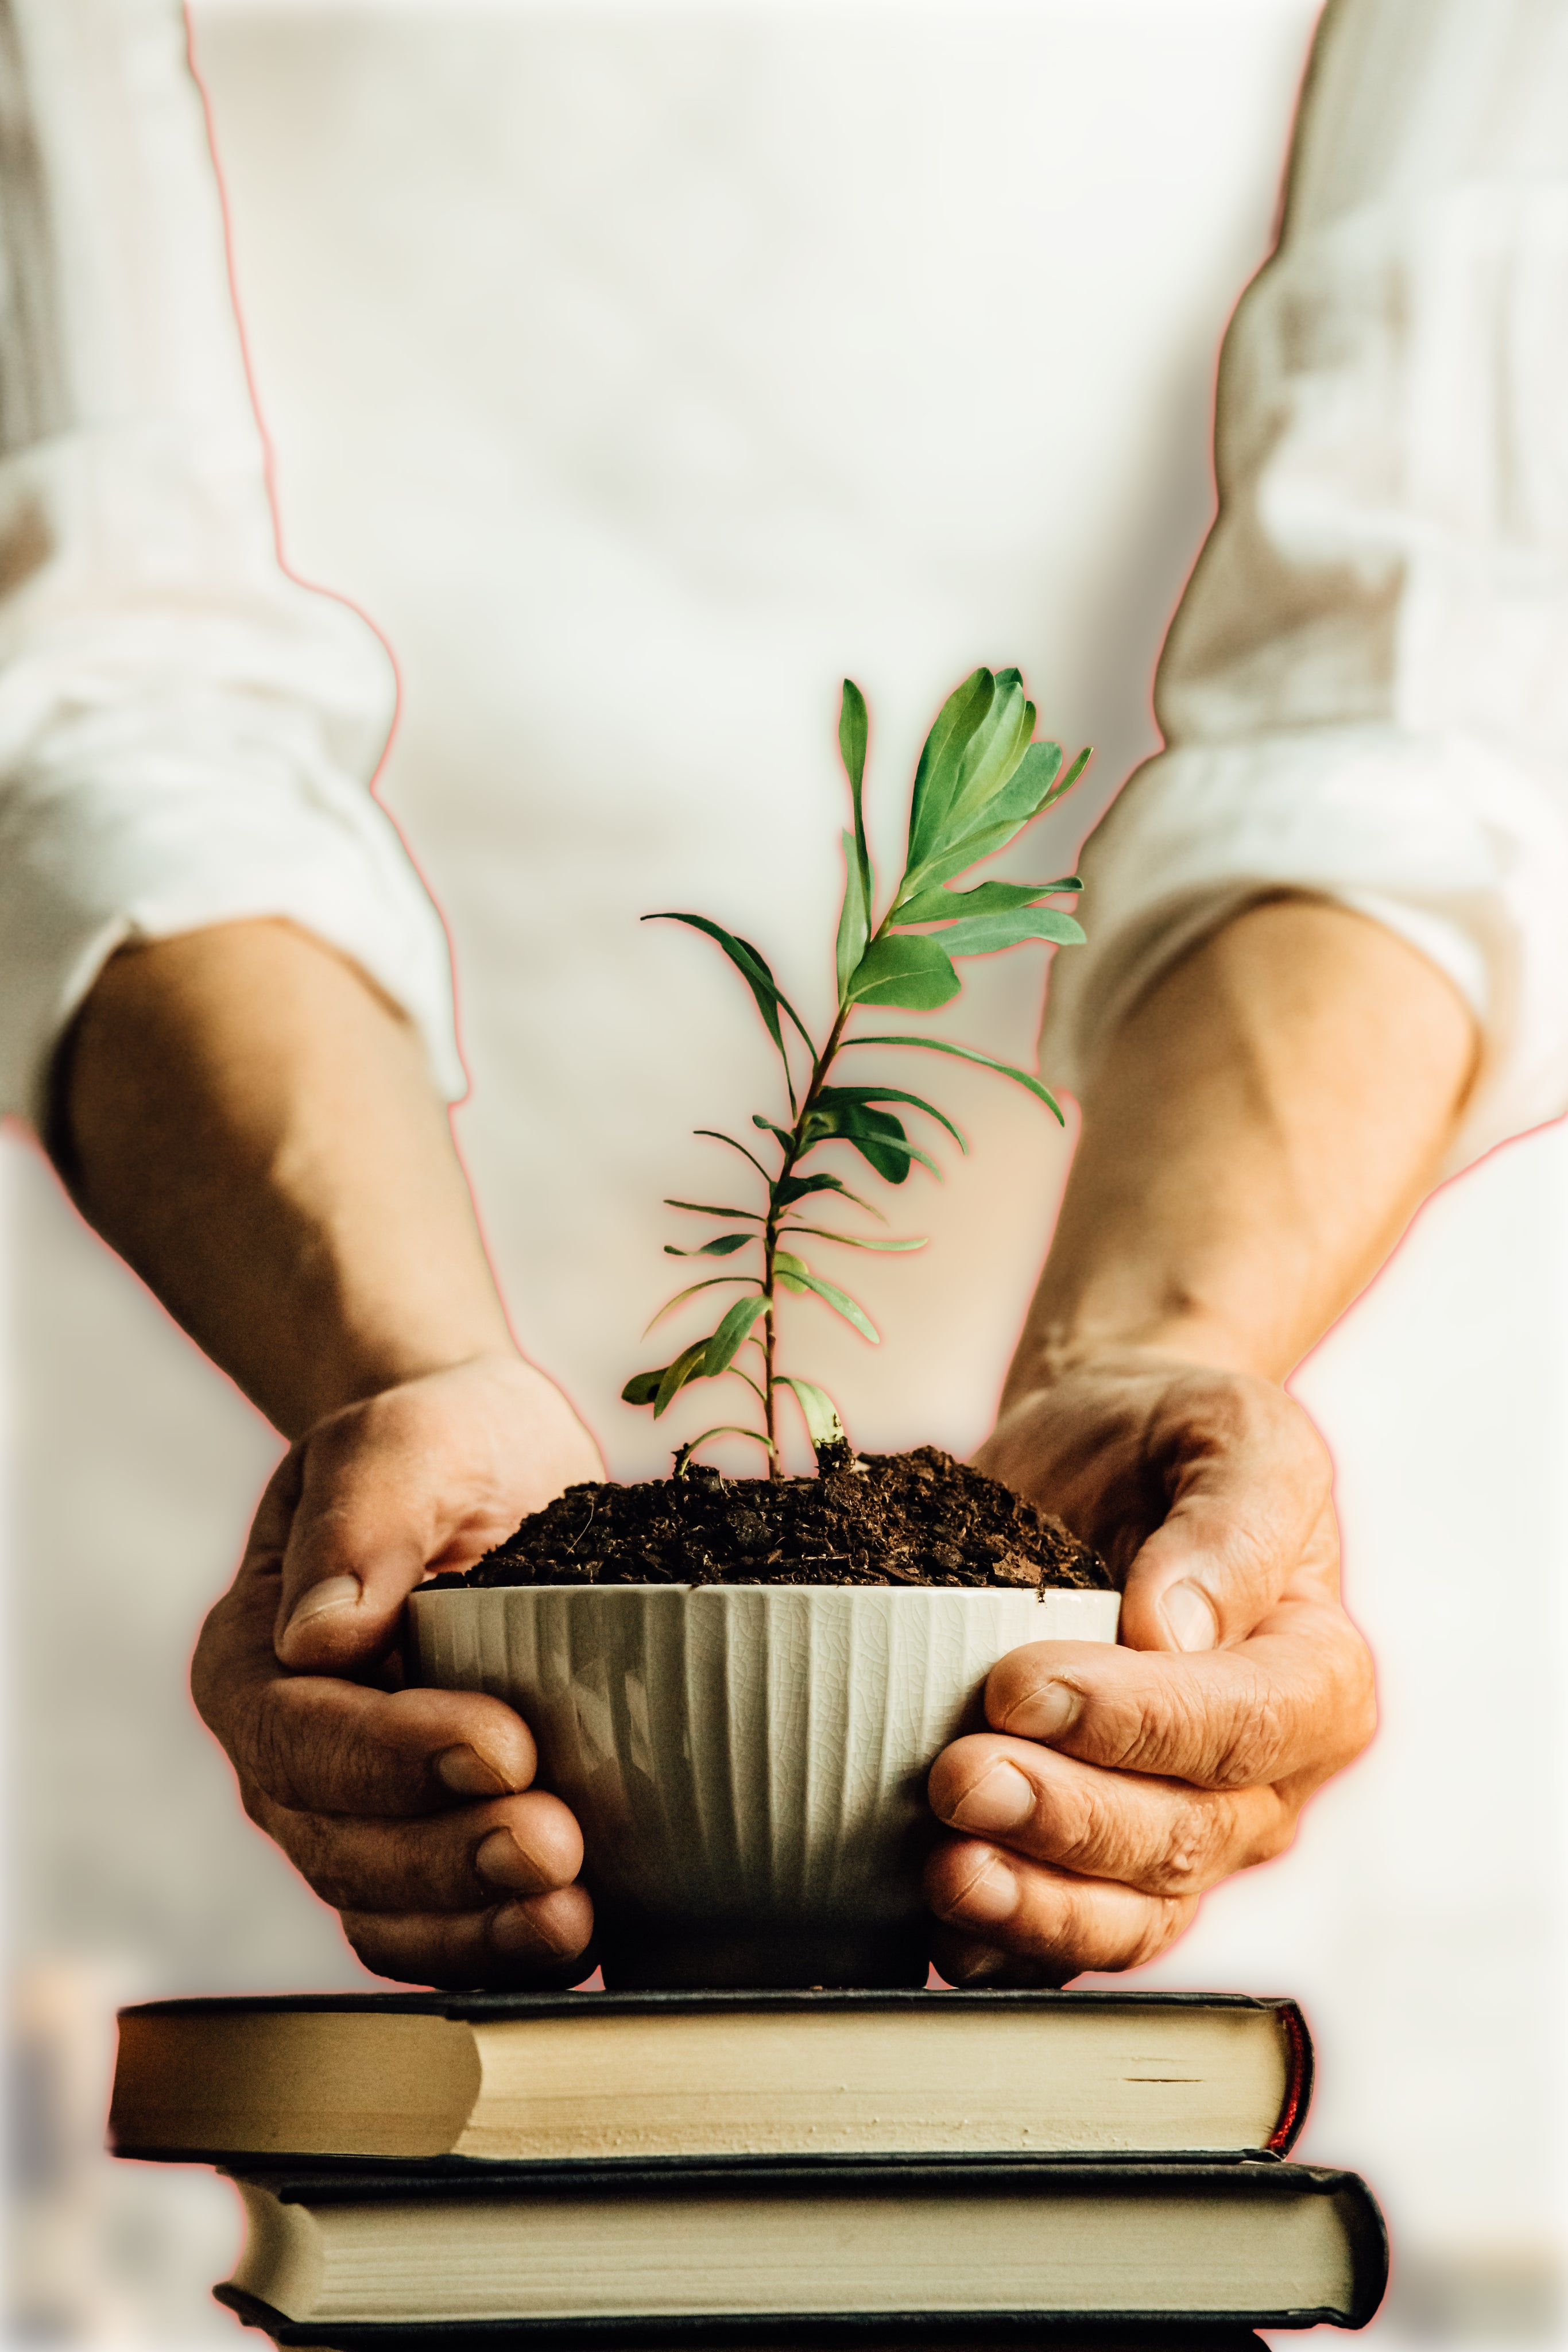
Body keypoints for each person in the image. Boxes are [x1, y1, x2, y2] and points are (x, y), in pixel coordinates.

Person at [10, 0, 1566, 1995]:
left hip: (1249, 1597)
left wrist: (1172, 1346)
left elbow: (1433, 667)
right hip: (250, 1508)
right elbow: (85, 658)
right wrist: (384, 1370)